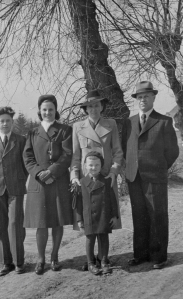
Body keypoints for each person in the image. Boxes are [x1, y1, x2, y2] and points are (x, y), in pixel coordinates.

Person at [122, 81, 179, 269]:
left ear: (153, 98)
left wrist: (160, 167)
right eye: (140, 97)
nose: (143, 100)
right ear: (136, 100)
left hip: (155, 176)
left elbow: (172, 151)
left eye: (146, 96)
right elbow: (124, 148)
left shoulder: (163, 121)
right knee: (138, 215)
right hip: (134, 177)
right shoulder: (129, 123)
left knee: (157, 215)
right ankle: (140, 254)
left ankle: (159, 256)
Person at [70, 89, 123, 269]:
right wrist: (74, 176)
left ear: (102, 107)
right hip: (87, 180)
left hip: (106, 178)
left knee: (105, 220)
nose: (93, 109)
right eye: (90, 106)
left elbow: (117, 152)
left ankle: (103, 258)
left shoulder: (111, 124)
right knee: (89, 224)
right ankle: (91, 260)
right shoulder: (78, 127)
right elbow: (76, 156)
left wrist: (114, 172)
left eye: (97, 105)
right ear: (86, 109)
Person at [23, 95, 73, 275]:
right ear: (39, 111)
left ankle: (54, 257)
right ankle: (40, 259)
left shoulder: (65, 130)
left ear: (55, 110)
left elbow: (68, 155)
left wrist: (51, 172)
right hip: (39, 184)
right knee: (41, 223)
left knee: (57, 221)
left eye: (51, 109)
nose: (47, 112)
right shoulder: (32, 133)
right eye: (44, 109)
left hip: (58, 180)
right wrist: (39, 173)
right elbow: (27, 158)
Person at [0, 107, 28, 276]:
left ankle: (18, 262)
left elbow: (25, 165)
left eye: (8, 121)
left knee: (15, 223)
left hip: (16, 186)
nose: (5, 124)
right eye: (2, 121)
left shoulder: (21, 140)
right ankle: (5, 262)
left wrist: (19, 178)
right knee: (0, 225)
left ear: (12, 122)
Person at [76, 151, 119, 275]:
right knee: (90, 240)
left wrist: (114, 216)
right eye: (90, 165)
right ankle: (90, 263)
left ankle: (104, 260)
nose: (93, 168)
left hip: (103, 216)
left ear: (101, 166)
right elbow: (79, 204)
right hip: (89, 217)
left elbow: (113, 200)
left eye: (96, 165)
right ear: (85, 166)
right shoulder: (82, 182)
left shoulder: (106, 181)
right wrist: (79, 220)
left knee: (104, 238)